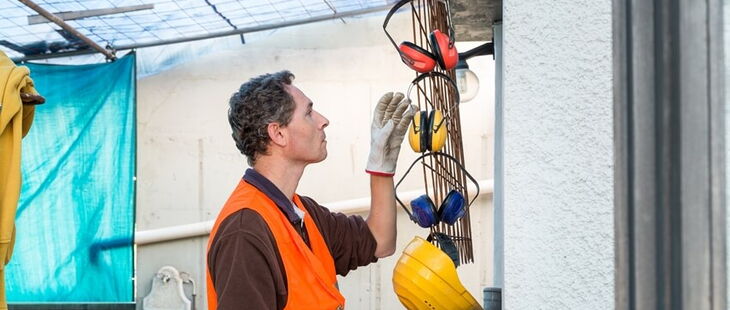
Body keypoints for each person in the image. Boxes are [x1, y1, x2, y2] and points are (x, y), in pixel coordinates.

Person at [206, 70, 415, 310]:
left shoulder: (301, 212)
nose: (323, 120)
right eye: (308, 113)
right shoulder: (245, 231)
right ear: (278, 133)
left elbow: (380, 240)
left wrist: (381, 168)